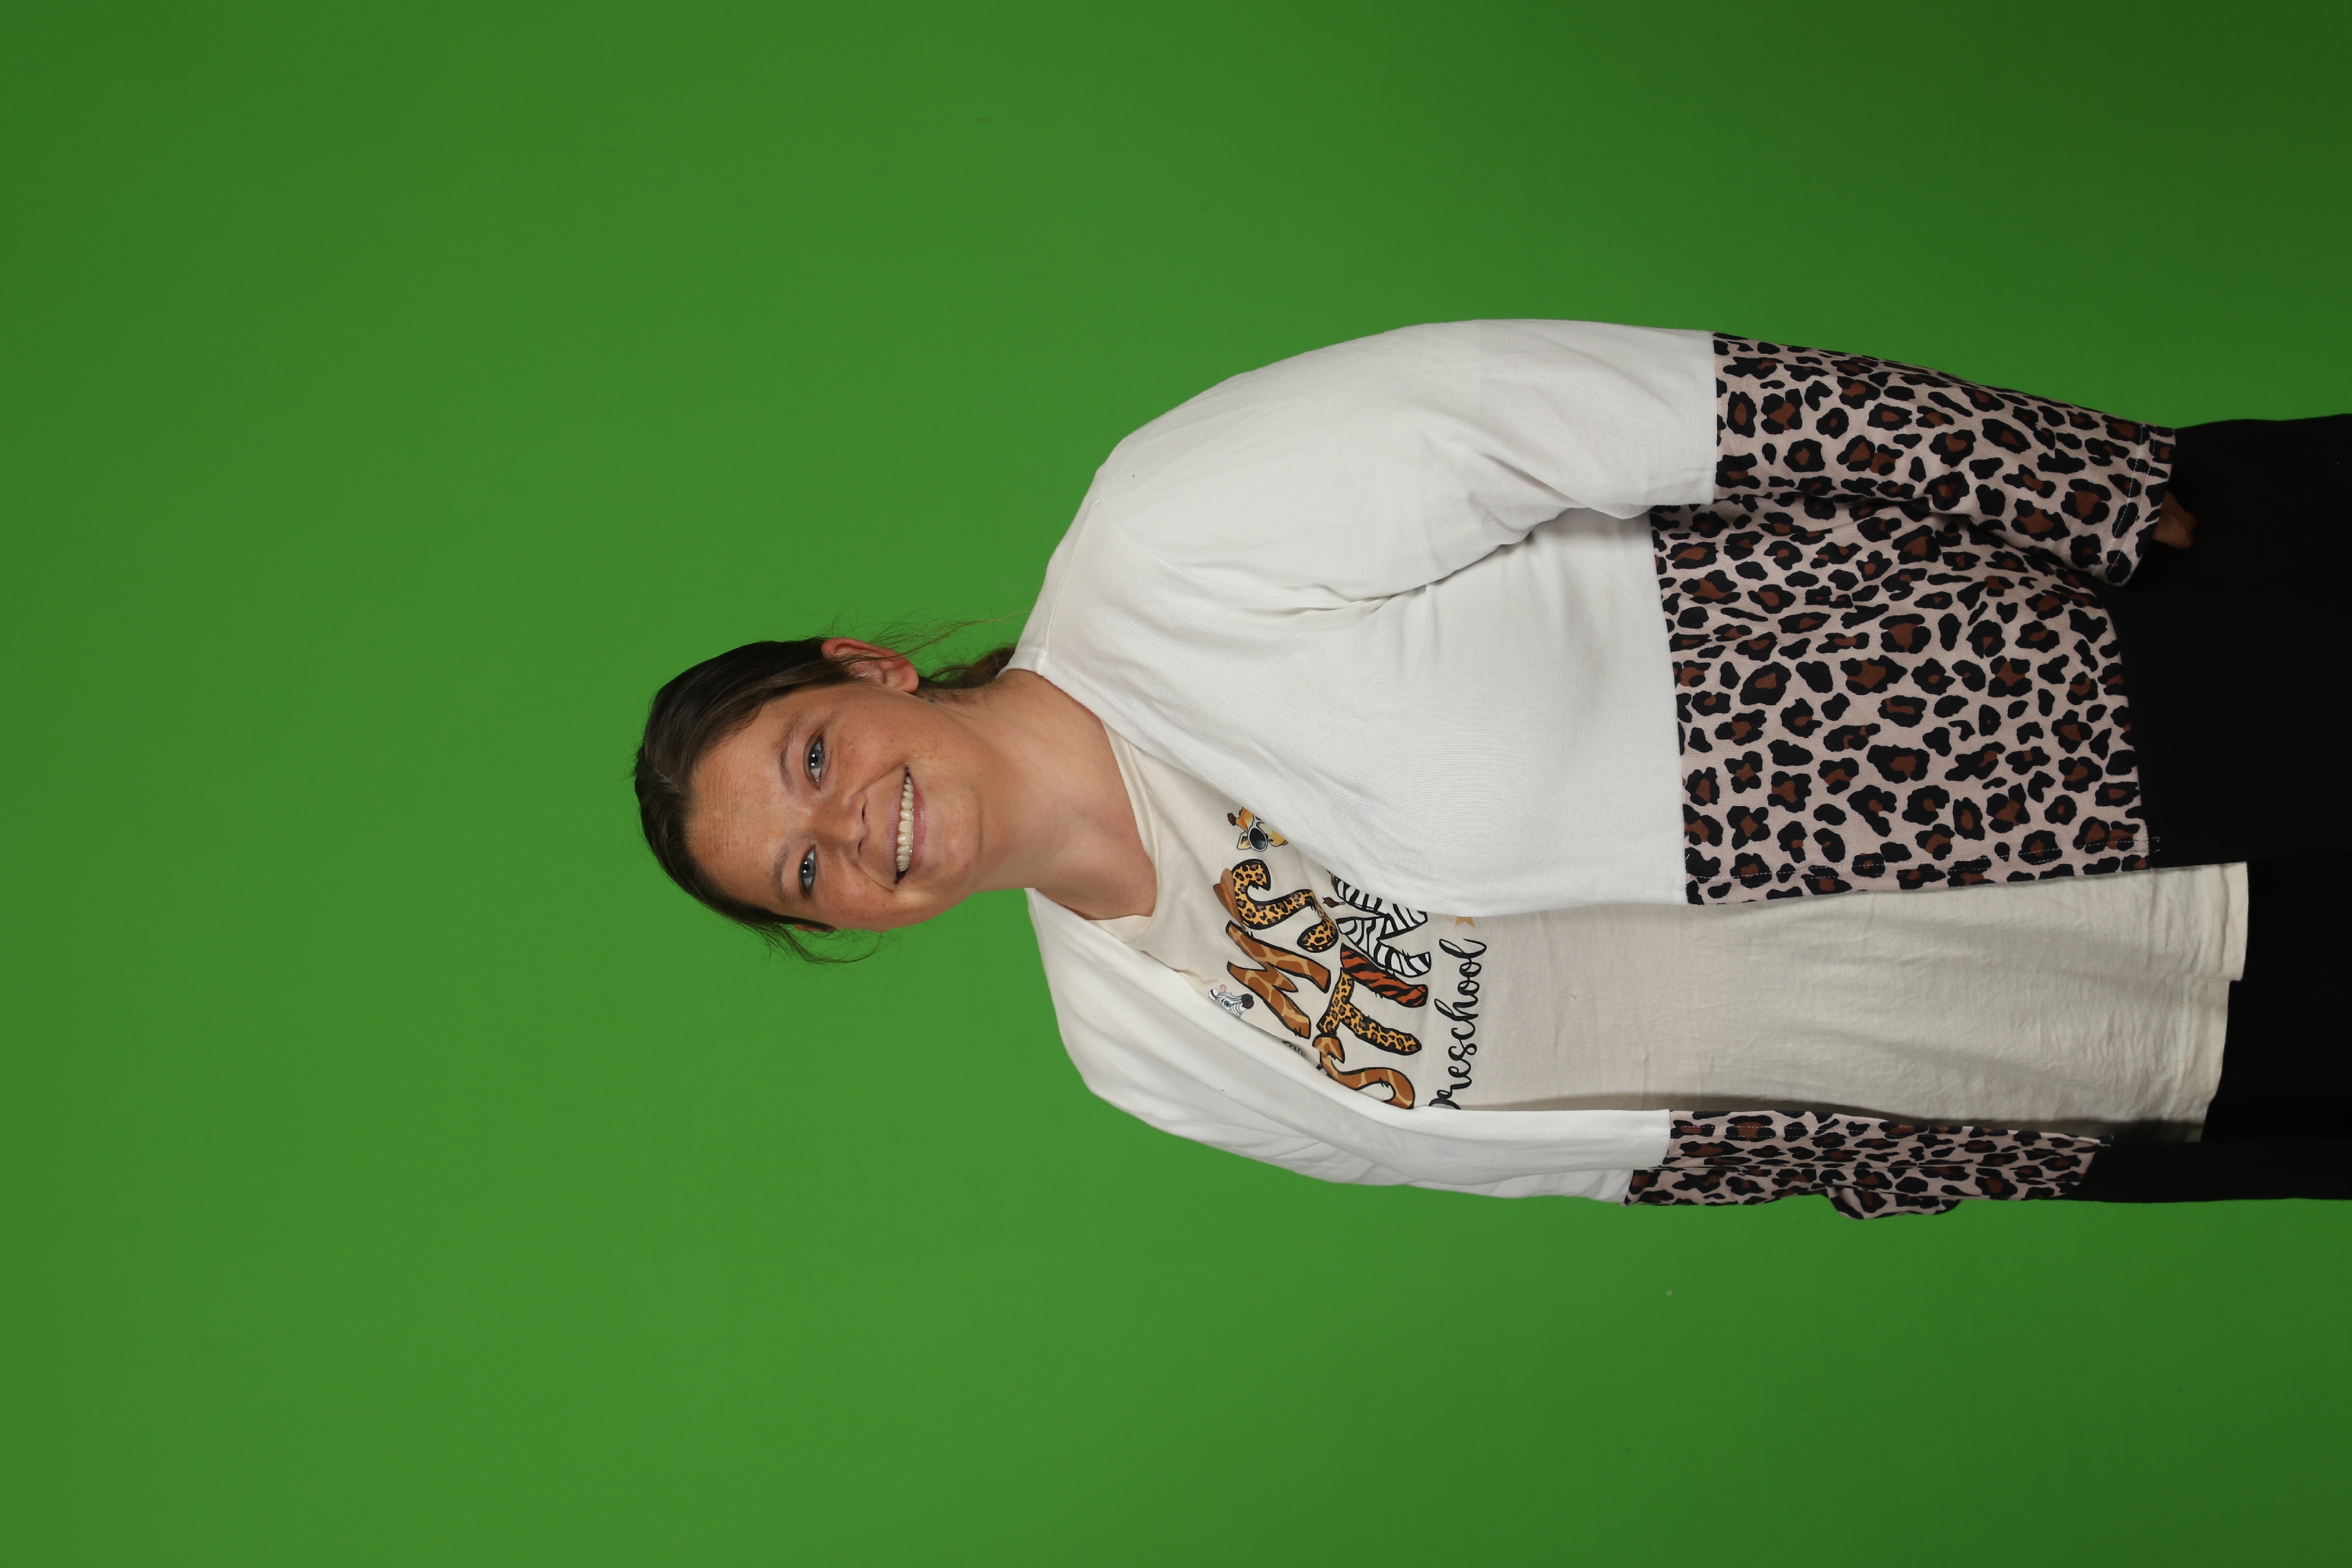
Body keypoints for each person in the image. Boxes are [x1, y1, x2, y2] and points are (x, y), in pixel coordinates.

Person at [637, 322, 2351, 1215]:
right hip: (2077, 1057)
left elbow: (1625, 406)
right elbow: (1590, 1161)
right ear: (855, 924)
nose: (852, 827)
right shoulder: (1136, 1054)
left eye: (812, 756)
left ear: (866, 670)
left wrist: (2065, 480)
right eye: (806, 871)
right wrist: (1911, 1165)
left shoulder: (1166, 535)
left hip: (2076, 705)